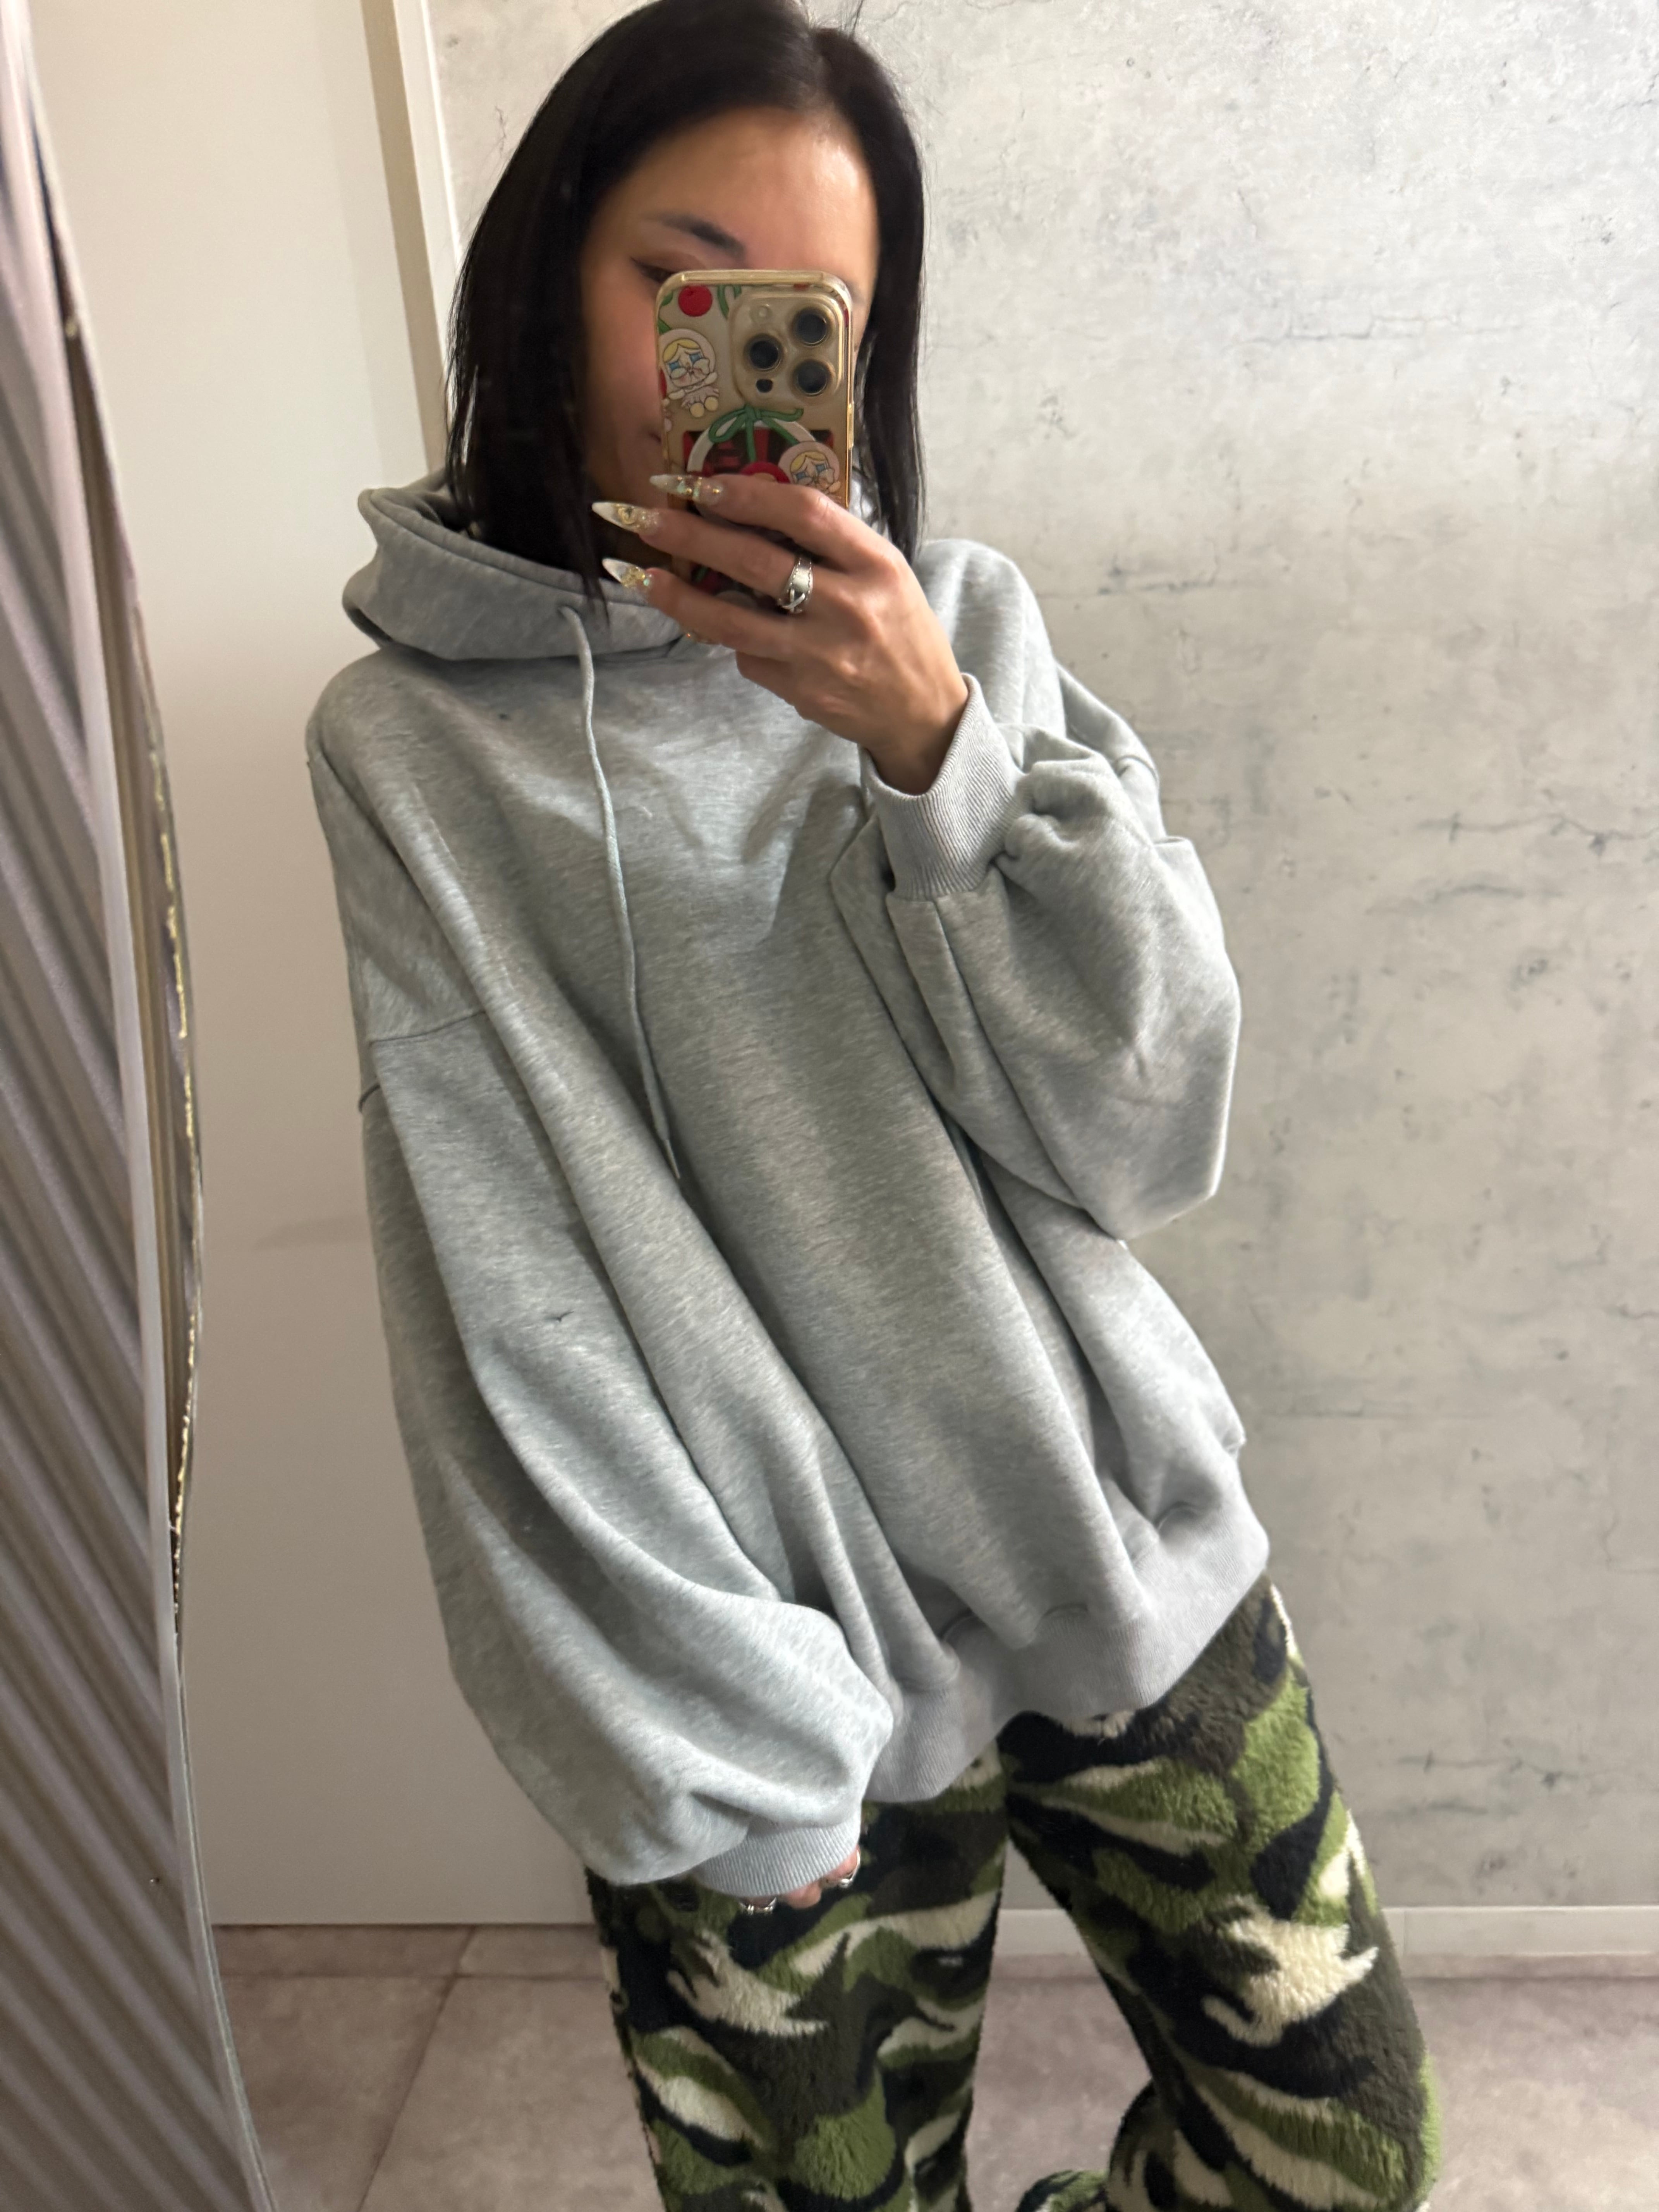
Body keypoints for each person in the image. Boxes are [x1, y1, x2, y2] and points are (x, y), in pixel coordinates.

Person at [306, 1, 1444, 2205]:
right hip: (763, 1659)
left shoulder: (960, 637)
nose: (734, 360)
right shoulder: (410, 752)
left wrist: (943, 760)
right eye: (682, 281)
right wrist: (715, 1731)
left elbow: (1145, 1136)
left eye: (807, 317)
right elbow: (500, 1275)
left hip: (1105, 1554)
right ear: (547, 272)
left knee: (1345, 2152)